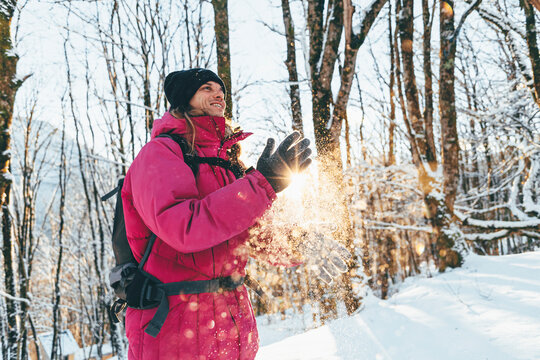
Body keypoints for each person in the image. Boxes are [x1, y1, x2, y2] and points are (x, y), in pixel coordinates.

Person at [121, 68, 312, 359]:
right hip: (175, 327)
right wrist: (261, 184)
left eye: (219, 88)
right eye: (206, 88)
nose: (217, 93)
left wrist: (304, 245)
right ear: (185, 99)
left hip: (231, 323)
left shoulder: (227, 161)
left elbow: (251, 233)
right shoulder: (159, 153)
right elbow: (184, 228)